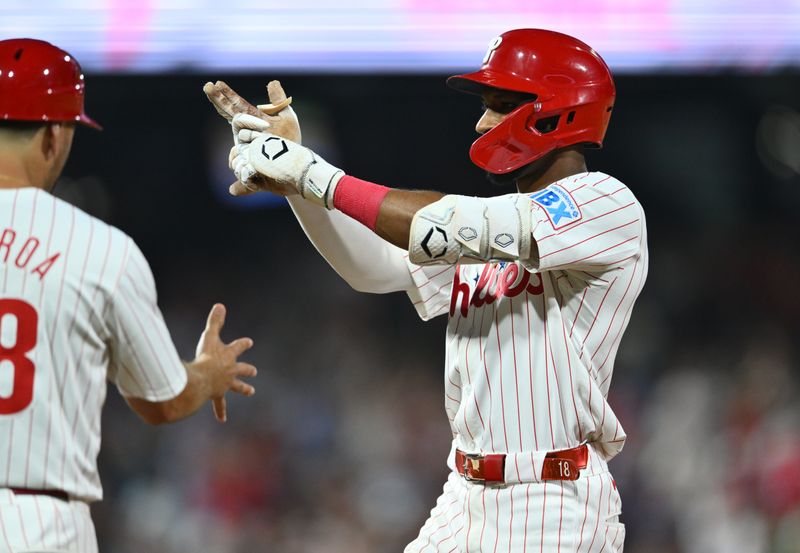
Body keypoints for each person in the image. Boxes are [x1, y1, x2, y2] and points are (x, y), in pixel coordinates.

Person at [206, 28, 645, 552]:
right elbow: (371, 267)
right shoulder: (490, 225)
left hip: (552, 501)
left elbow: (450, 224)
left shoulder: (606, 204)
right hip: (466, 492)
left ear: (556, 111)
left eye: (501, 105)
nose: (483, 121)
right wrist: (297, 183)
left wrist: (311, 172)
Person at [0, 39, 257, 552]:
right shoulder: (98, 249)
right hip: (39, 522)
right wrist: (208, 373)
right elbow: (162, 402)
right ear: (53, 135)